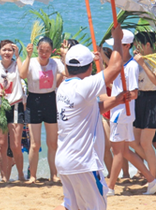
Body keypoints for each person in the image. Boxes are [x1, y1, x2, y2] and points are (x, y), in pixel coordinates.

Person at [53, 26, 153, 210]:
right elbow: (115, 67)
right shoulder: (83, 86)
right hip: (83, 163)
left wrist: (117, 99)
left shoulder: (63, 88)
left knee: (70, 206)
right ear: (90, 67)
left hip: (64, 162)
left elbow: (93, 108)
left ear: (67, 66)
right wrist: (117, 39)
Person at [106, 29, 156, 195]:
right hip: (128, 107)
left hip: (133, 107)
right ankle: (151, 178)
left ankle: (111, 187)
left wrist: (116, 100)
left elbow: (135, 91)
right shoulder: (124, 62)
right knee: (128, 148)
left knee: (126, 148)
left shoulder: (137, 63)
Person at [19, 37, 64, 183]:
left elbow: (68, 73)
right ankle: (33, 176)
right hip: (34, 101)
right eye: (41, 50)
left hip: (50, 100)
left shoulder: (55, 63)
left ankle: (54, 174)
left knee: (52, 142)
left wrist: (64, 56)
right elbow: (22, 75)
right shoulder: (31, 62)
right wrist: (27, 55)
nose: (44, 53)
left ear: (52, 51)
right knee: (35, 143)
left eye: (47, 51)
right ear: (37, 49)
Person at [0, 40, 26, 182]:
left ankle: (21, 175)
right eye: (4, 50)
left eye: (10, 50)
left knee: (15, 145)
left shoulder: (17, 65)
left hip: (15, 106)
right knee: (1, 144)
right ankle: (4, 176)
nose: (7, 53)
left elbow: (23, 74)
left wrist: (18, 55)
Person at [132, 31, 156, 178]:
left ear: (147, 45)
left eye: (138, 46)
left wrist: (142, 63)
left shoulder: (152, 59)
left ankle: (152, 178)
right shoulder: (138, 59)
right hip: (140, 98)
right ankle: (148, 169)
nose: (136, 49)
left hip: (152, 98)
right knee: (134, 141)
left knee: (146, 142)